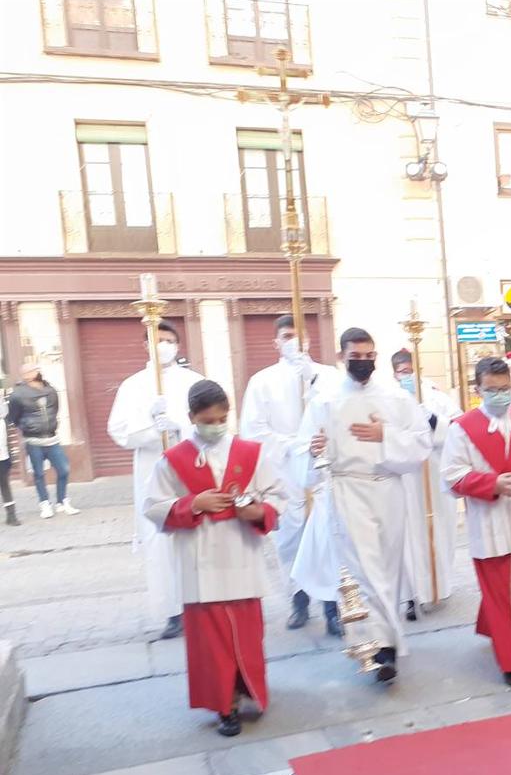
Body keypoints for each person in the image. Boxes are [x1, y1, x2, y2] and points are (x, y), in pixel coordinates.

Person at [291, 328, 432, 682]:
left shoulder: (396, 398)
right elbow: (302, 450)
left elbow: (420, 443)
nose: (364, 363)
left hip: (387, 488)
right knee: (365, 572)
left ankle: (386, 639)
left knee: (388, 568)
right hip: (347, 491)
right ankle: (380, 647)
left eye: (370, 357)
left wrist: (386, 436)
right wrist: (314, 448)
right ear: (342, 357)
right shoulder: (324, 399)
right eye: (356, 357)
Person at [143, 381, 282, 737]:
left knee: (247, 634)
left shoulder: (251, 452)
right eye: (208, 420)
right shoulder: (173, 460)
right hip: (200, 559)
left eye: (222, 418)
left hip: (241, 555)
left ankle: (249, 688)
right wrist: (193, 504)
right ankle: (224, 705)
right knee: (211, 643)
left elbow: (278, 495)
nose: (216, 425)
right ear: (192, 418)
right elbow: (153, 507)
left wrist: (257, 510)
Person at [240, 315, 341, 636]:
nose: (294, 342)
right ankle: (298, 599)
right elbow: (254, 430)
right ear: (276, 342)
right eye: (287, 336)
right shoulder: (262, 381)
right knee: (291, 540)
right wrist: (296, 446)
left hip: (323, 470)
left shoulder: (328, 376)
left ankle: (332, 606)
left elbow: (341, 413)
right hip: (284, 471)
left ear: (309, 340)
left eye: (299, 336)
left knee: (326, 538)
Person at [441, 356, 511, 688]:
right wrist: (493, 484)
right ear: (478, 389)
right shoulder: (463, 429)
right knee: (502, 594)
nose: (500, 395)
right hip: (490, 525)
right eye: (492, 390)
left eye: (505, 388)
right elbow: (452, 478)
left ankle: (492, 627)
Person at [108, 321, 204, 640]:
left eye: (169, 340)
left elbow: (213, 422)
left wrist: (180, 428)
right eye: (157, 339)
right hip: (153, 470)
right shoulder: (133, 385)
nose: (163, 344)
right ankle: (173, 611)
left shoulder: (195, 381)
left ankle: (200, 605)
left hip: (192, 469)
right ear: (146, 344)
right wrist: (151, 427)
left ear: (178, 345)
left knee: (196, 537)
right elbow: (119, 430)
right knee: (160, 540)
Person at [392, 349, 461, 618]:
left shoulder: (436, 397)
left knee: (439, 529)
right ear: (394, 373)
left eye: (410, 370)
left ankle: (439, 586)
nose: (406, 375)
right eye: (401, 371)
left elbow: (458, 427)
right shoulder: (390, 400)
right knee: (409, 536)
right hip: (407, 478)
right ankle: (411, 595)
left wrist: (432, 419)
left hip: (434, 472)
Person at [7, 364, 79, 519]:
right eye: (27, 371)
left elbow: (55, 409)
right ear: (24, 375)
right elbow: (13, 417)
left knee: (64, 470)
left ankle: (62, 502)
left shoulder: (50, 389)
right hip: (33, 441)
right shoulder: (18, 394)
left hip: (52, 438)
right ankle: (45, 504)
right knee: (39, 474)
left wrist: (51, 423)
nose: (32, 373)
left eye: (34, 369)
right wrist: (25, 426)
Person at [0, 386, 17, 526]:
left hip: (2, 455)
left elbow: (8, 439)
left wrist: (11, 455)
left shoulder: (3, 420)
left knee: (4, 484)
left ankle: (11, 515)